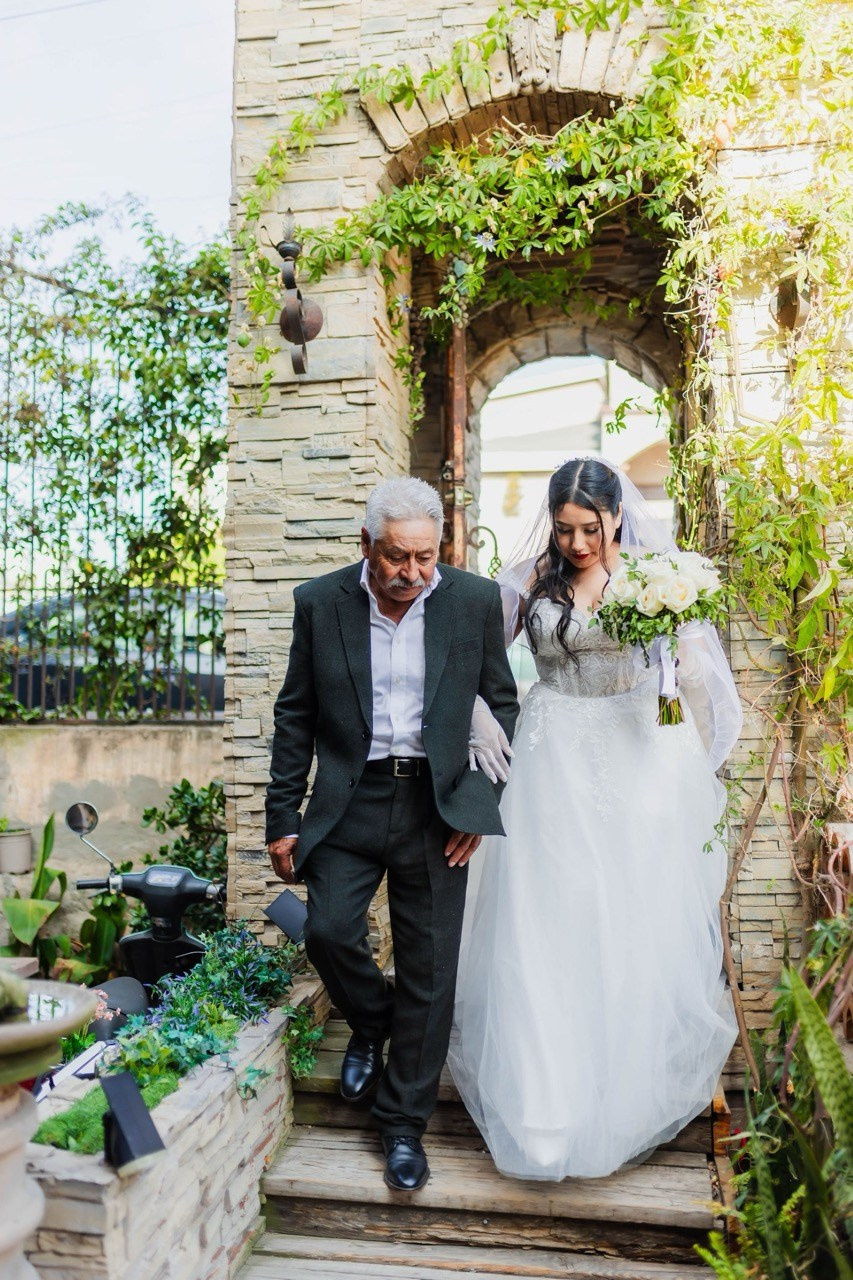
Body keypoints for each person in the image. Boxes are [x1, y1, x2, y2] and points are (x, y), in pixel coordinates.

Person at [447, 455, 742, 1181]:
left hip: (635, 764)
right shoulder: (526, 583)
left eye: (590, 527)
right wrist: (479, 717)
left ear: (616, 516)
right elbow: (468, 659)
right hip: (549, 763)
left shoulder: (654, 578)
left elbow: (693, 685)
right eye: (564, 528)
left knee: (625, 925)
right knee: (543, 924)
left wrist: (681, 655)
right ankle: (543, 1111)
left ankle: (619, 1101)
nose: (577, 543)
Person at [265, 475, 519, 1192]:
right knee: (328, 932)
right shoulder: (319, 603)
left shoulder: (472, 601)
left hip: (438, 805)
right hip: (350, 801)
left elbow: (501, 707)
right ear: (366, 545)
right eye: (397, 557)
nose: (412, 572)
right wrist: (281, 816)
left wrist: (477, 803)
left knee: (430, 971)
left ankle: (403, 1124)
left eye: (425, 556)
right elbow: (295, 715)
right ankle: (373, 1023)